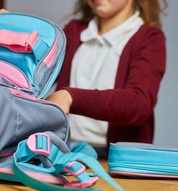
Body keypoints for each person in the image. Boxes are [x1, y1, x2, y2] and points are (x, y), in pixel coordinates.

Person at [46, 0, 167, 158]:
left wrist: (70, 97)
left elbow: (139, 103)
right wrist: (12, 33)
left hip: (115, 161)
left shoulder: (149, 38)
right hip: (62, 153)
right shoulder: (73, 31)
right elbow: (34, 76)